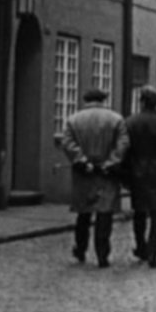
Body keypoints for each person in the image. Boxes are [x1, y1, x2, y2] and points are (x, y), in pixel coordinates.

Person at [60, 87, 129, 268]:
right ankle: (102, 255)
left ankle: (81, 249)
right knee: (104, 215)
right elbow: (123, 144)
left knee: (84, 213)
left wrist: (82, 161)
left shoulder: (74, 120)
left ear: (86, 100)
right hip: (107, 175)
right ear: (103, 100)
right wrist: (110, 162)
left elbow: (66, 142)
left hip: (84, 175)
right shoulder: (115, 119)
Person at [124, 85, 156, 268]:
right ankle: (153, 253)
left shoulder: (130, 123)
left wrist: (125, 176)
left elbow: (125, 151)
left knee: (139, 212)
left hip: (137, 171)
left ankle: (141, 247)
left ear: (142, 102)